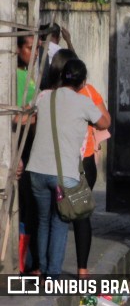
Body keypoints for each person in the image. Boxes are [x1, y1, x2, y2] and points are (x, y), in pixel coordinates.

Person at [26, 58, 110, 278]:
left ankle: (40, 269)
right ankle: (53, 275)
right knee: (60, 221)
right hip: (64, 174)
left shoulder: (44, 97)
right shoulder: (83, 101)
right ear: (82, 82)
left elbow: (30, 117)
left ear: (62, 77)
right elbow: (104, 124)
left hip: (36, 170)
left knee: (43, 220)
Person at [15, 33, 40, 274]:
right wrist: (33, 116)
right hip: (20, 147)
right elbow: (17, 115)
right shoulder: (17, 76)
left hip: (32, 148)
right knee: (25, 206)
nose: (34, 53)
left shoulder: (30, 75)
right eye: (30, 48)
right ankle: (23, 262)